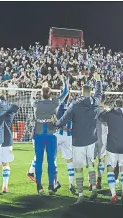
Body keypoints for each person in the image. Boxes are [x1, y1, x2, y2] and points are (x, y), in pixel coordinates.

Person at [53, 72, 102, 204]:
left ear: (81, 92)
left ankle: (80, 195)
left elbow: (62, 122)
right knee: (91, 164)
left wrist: (55, 122)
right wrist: (98, 81)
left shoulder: (74, 105)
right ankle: (93, 189)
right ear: (90, 92)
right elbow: (99, 93)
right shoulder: (95, 102)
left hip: (78, 141)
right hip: (91, 140)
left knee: (79, 167)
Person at [31, 77, 69, 195]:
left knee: (39, 161)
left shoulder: (36, 103)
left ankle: (39, 186)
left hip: (38, 135)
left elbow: (31, 97)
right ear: (51, 94)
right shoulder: (55, 103)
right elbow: (66, 92)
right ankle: (51, 186)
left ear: (41, 94)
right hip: (51, 135)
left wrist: (36, 88)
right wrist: (64, 81)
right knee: (51, 161)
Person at [0, 95, 19, 193]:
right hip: (7, 139)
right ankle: (5, 186)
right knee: (5, 163)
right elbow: (16, 107)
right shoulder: (10, 111)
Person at [55, 93, 76, 194]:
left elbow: (55, 118)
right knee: (69, 160)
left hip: (58, 135)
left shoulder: (60, 106)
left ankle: (55, 182)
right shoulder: (74, 107)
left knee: (52, 159)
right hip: (68, 136)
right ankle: (71, 183)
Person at [94, 94, 108, 190]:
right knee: (101, 160)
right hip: (103, 139)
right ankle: (99, 179)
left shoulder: (92, 111)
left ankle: (91, 182)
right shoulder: (107, 112)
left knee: (91, 160)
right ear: (105, 101)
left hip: (92, 138)